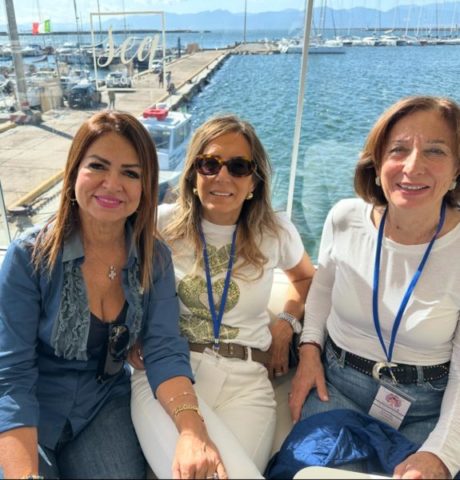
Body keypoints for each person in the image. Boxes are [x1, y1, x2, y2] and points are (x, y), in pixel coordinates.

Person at [0, 111, 226, 479]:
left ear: (145, 186)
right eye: (98, 166)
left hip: (102, 405)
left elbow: (164, 348)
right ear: (74, 172)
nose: (112, 184)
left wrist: (192, 431)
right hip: (32, 408)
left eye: (131, 173)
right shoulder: (29, 257)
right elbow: (12, 375)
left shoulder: (155, 258)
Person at [130, 114, 315, 477]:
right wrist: (131, 331)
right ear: (193, 174)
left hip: (247, 382)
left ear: (254, 181)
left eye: (238, 166)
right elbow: (113, 275)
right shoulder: (159, 224)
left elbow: (306, 278)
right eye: (210, 164)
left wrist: (286, 323)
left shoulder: (275, 231)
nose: (222, 176)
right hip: (170, 372)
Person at [289, 96, 460, 479]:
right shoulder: (344, 218)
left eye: (435, 151)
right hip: (338, 388)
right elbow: (322, 290)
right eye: (398, 150)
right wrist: (309, 351)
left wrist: (441, 453)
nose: (412, 167)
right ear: (378, 162)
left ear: (457, 168)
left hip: (426, 409)